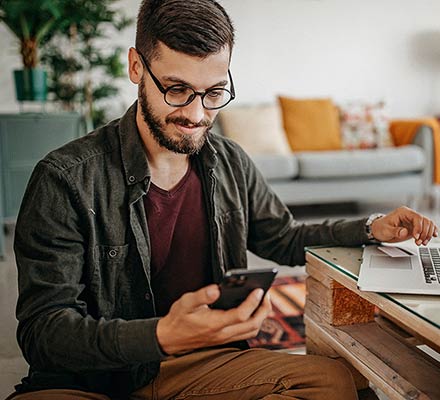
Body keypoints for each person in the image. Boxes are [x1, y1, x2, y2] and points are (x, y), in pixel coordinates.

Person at [8, 0, 438, 399]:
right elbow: (44, 333)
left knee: (335, 383)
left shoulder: (229, 160)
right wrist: (160, 336)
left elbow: (282, 238)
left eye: (214, 93)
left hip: (199, 365)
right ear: (136, 66)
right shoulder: (65, 179)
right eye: (176, 90)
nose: (196, 115)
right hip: (94, 380)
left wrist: (368, 228)